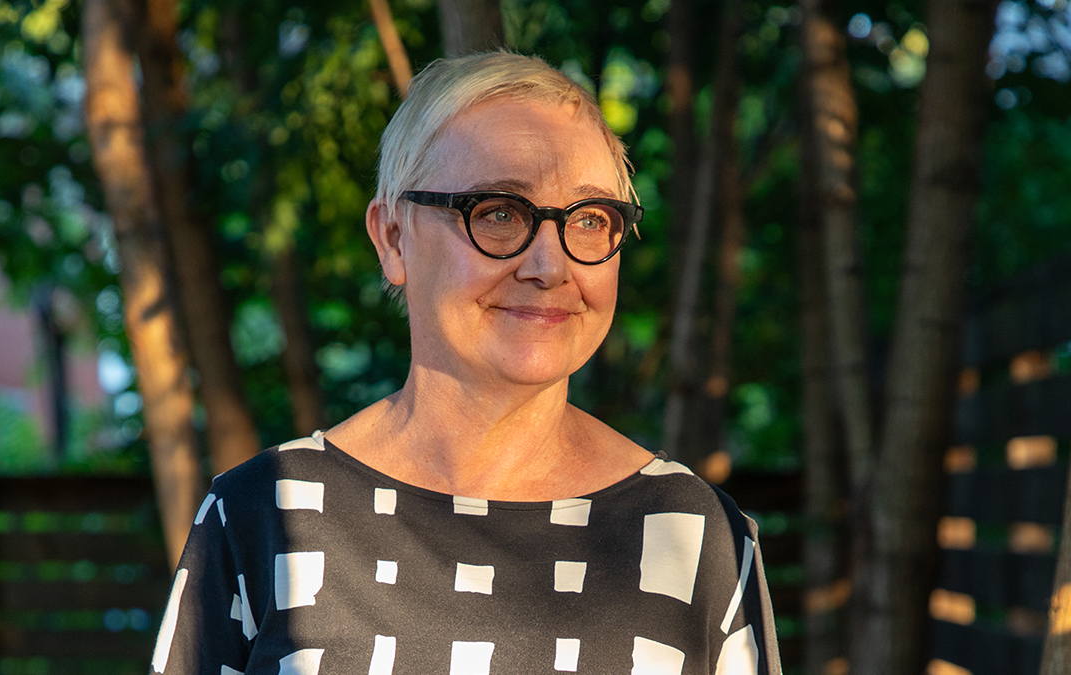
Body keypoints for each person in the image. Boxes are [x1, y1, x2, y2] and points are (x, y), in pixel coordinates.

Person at [149, 51, 780, 675]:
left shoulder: (696, 535)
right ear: (393, 238)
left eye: (590, 220)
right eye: (498, 213)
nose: (549, 266)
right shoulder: (263, 513)